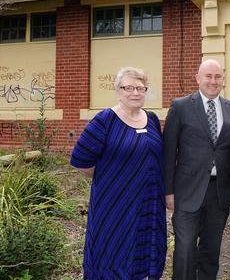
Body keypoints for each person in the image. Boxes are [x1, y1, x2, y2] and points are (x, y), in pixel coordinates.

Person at [70, 67, 166, 279]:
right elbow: (81, 161)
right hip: (114, 205)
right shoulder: (105, 120)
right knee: (112, 252)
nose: (135, 92)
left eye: (140, 88)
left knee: (143, 252)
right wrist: (114, 177)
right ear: (118, 90)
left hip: (148, 203)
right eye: (129, 87)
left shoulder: (151, 119)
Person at [164, 59, 230, 280]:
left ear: (223, 80)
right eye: (208, 76)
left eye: (217, 77)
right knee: (186, 249)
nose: (213, 81)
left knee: (211, 249)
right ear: (198, 78)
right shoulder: (180, 106)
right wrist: (168, 191)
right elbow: (169, 151)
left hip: (219, 192)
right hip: (187, 190)